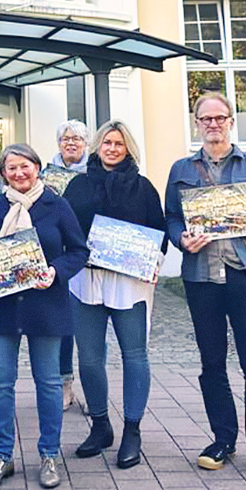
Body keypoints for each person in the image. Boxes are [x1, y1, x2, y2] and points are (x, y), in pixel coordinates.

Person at [164, 93, 246, 480]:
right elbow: (171, 217)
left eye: (220, 118)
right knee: (211, 364)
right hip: (202, 278)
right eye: (206, 119)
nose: (213, 124)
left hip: (243, 276)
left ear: (231, 122)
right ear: (196, 123)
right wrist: (182, 239)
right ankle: (222, 439)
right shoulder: (181, 169)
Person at [0, 143, 89, 490]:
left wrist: (56, 271)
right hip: (0, 309)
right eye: (11, 168)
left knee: (49, 384)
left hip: (46, 305)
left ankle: (49, 454)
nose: (19, 173)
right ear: (3, 173)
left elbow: (79, 250)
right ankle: (2, 456)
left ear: (37, 168)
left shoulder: (58, 205)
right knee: (0, 386)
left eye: (25, 166)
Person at [62, 119, 165, 469]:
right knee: (89, 357)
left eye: (119, 144)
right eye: (107, 142)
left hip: (129, 283)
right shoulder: (77, 185)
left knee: (134, 354)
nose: (111, 148)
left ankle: (132, 431)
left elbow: (159, 231)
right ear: (97, 146)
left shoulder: (143, 187)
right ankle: (101, 426)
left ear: (128, 149)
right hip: (86, 282)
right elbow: (64, 228)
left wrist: (154, 259)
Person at [41, 119, 90, 411]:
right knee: (63, 326)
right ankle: (64, 384)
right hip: (57, 258)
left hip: (91, 255)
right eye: (66, 139)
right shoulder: (46, 175)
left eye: (77, 139)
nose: (71, 143)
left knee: (89, 327)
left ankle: (91, 388)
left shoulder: (94, 175)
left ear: (86, 144)